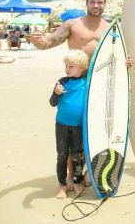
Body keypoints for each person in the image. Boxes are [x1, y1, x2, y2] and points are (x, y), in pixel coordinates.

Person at [31, 0, 133, 183]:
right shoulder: (73, 24)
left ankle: (88, 172)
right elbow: (48, 42)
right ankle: (70, 177)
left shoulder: (111, 27)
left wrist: (126, 63)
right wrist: (37, 41)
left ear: (105, 4)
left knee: (97, 129)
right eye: (92, 2)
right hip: (76, 84)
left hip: (101, 85)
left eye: (100, 2)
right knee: (74, 132)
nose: (96, 5)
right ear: (86, 3)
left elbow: (118, 54)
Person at [49, 50, 89, 199]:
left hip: (79, 126)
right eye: (66, 66)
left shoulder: (87, 82)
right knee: (62, 155)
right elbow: (52, 103)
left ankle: (77, 182)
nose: (67, 69)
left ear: (81, 67)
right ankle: (63, 185)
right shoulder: (62, 82)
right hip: (62, 126)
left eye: (71, 66)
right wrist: (56, 93)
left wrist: (126, 65)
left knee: (78, 156)